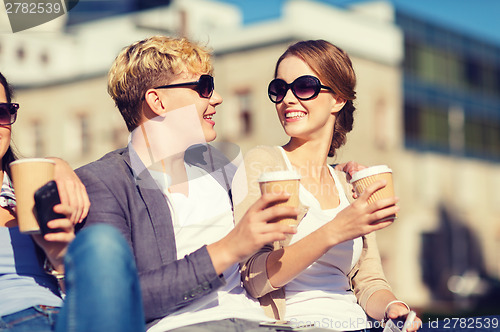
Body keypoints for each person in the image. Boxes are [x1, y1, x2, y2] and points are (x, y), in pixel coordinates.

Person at [75, 35, 300, 332]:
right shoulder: (105, 181)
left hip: (264, 323)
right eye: (204, 87)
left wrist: (340, 173)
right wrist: (229, 248)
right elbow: (121, 298)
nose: (216, 98)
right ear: (158, 101)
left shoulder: (226, 167)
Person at [231, 40, 422, 332]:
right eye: (279, 89)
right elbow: (253, 277)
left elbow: (368, 280)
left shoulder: (347, 183)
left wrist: (392, 308)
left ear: (338, 99)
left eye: (304, 86)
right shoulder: (263, 164)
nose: (288, 100)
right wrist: (333, 231)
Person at [0, 72, 144, 332]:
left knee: (103, 241)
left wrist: (58, 259)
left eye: (0, 112)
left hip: (64, 318)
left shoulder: (33, 188)